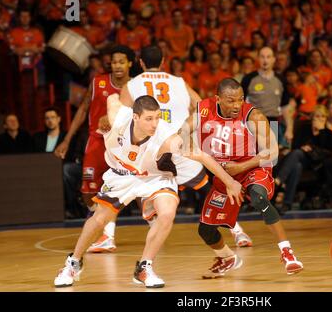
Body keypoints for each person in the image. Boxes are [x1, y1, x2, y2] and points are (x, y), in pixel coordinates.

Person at [53, 95, 243, 288]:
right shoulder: (119, 118)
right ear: (135, 117)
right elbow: (111, 98)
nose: (154, 123)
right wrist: (104, 116)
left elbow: (202, 156)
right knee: (100, 219)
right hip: (122, 174)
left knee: (168, 212)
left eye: (157, 117)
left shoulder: (167, 137)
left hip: (154, 175)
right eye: (149, 118)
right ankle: (73, 263)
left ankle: (145, 267)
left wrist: (229, 181)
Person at [118, 45, 254, 247]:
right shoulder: (179, 82)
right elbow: (201, 106)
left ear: (141, 63)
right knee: (207, 189)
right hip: (179, 143)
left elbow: (122, 121)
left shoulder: (131, 85)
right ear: (163, 61)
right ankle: (238, 232)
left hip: (151, 147)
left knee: (142, 186)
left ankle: (154, 231)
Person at [180, 78, 304, 278]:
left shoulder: (253, 115)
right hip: (224, 175)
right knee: (206, 230)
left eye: (240, 100)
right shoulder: (204, 110)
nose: (237, 105)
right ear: (218, 99)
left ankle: (287, 253)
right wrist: (183, 141)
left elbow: (272, 152)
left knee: (258, 197)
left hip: (252, 167)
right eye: (231, 101)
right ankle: (227, 258)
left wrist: (241, 167)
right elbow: (183, 130)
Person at [54, 45, 134, 252]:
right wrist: (67, 140)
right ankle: (101, 220)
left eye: (121, 61)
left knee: (116, 190)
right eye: (114, 61)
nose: (117, 65)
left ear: (130, 64)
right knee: (87, 191)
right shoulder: (98, 82)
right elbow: (82, 110)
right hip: (96, 142)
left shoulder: (135, 87)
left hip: (122, 146)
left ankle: (108, 234)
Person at [241, 46, 295, 146]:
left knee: (271, 159)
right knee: (251, 157)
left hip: (273, 123)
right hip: (252, 123)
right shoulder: (248, 79)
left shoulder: (281, 80)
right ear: (258, 59)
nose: (265, 60)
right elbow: (239, 104)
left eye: (268, 57)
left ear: (274, 59)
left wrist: (289, 129)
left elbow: (285, 107)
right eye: (262, 57)